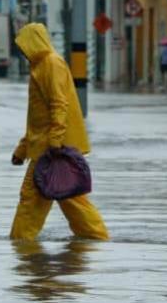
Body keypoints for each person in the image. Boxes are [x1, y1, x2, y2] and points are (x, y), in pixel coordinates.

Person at [9, 23, 109, 241]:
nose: (22, 52)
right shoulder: (41, 66)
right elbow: (37, 119)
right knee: (71, 198)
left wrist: (55, 142)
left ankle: (21, 244)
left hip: (51, 148)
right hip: (47, 146)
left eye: (23, 46)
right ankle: (96, 239)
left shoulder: (50, 64)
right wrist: (22, 150)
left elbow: (58, 104)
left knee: (32, 199)